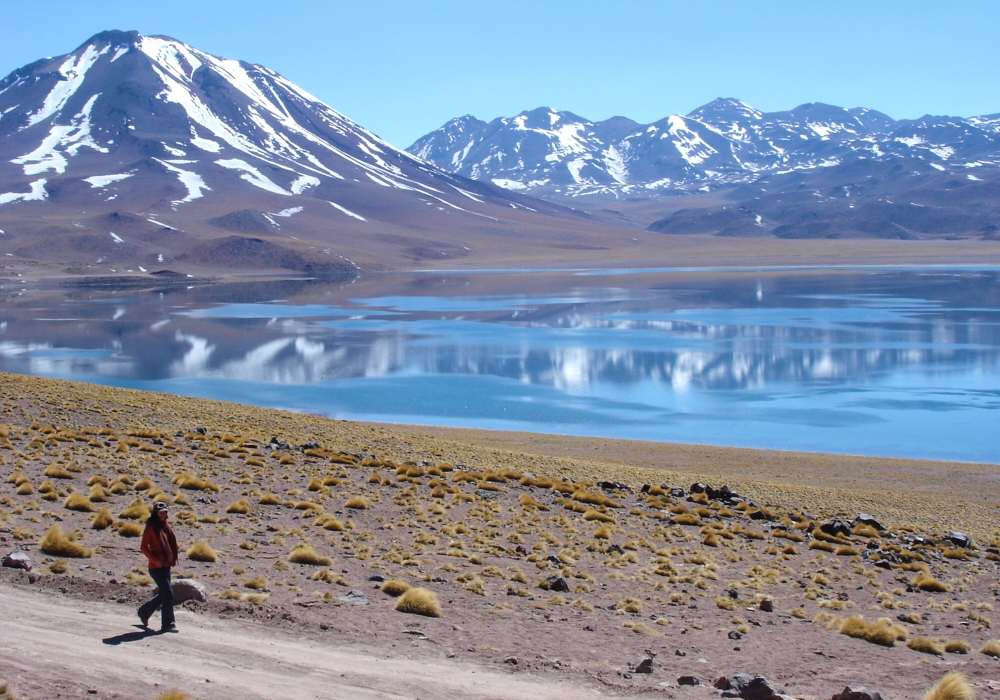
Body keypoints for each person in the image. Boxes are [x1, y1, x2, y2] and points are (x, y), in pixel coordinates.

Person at [138, 501, 179, 632]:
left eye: (164, 513)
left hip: (166, 565)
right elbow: (143, 547)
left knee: (164, 594)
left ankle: (144, 612)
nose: (162, 515)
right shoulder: (150, 528)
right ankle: (168, 623)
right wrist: (155, 560)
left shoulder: (165, 526)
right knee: (168, 593)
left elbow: (171, 543)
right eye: (160, 513)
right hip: (156, 567)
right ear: (155, 513)